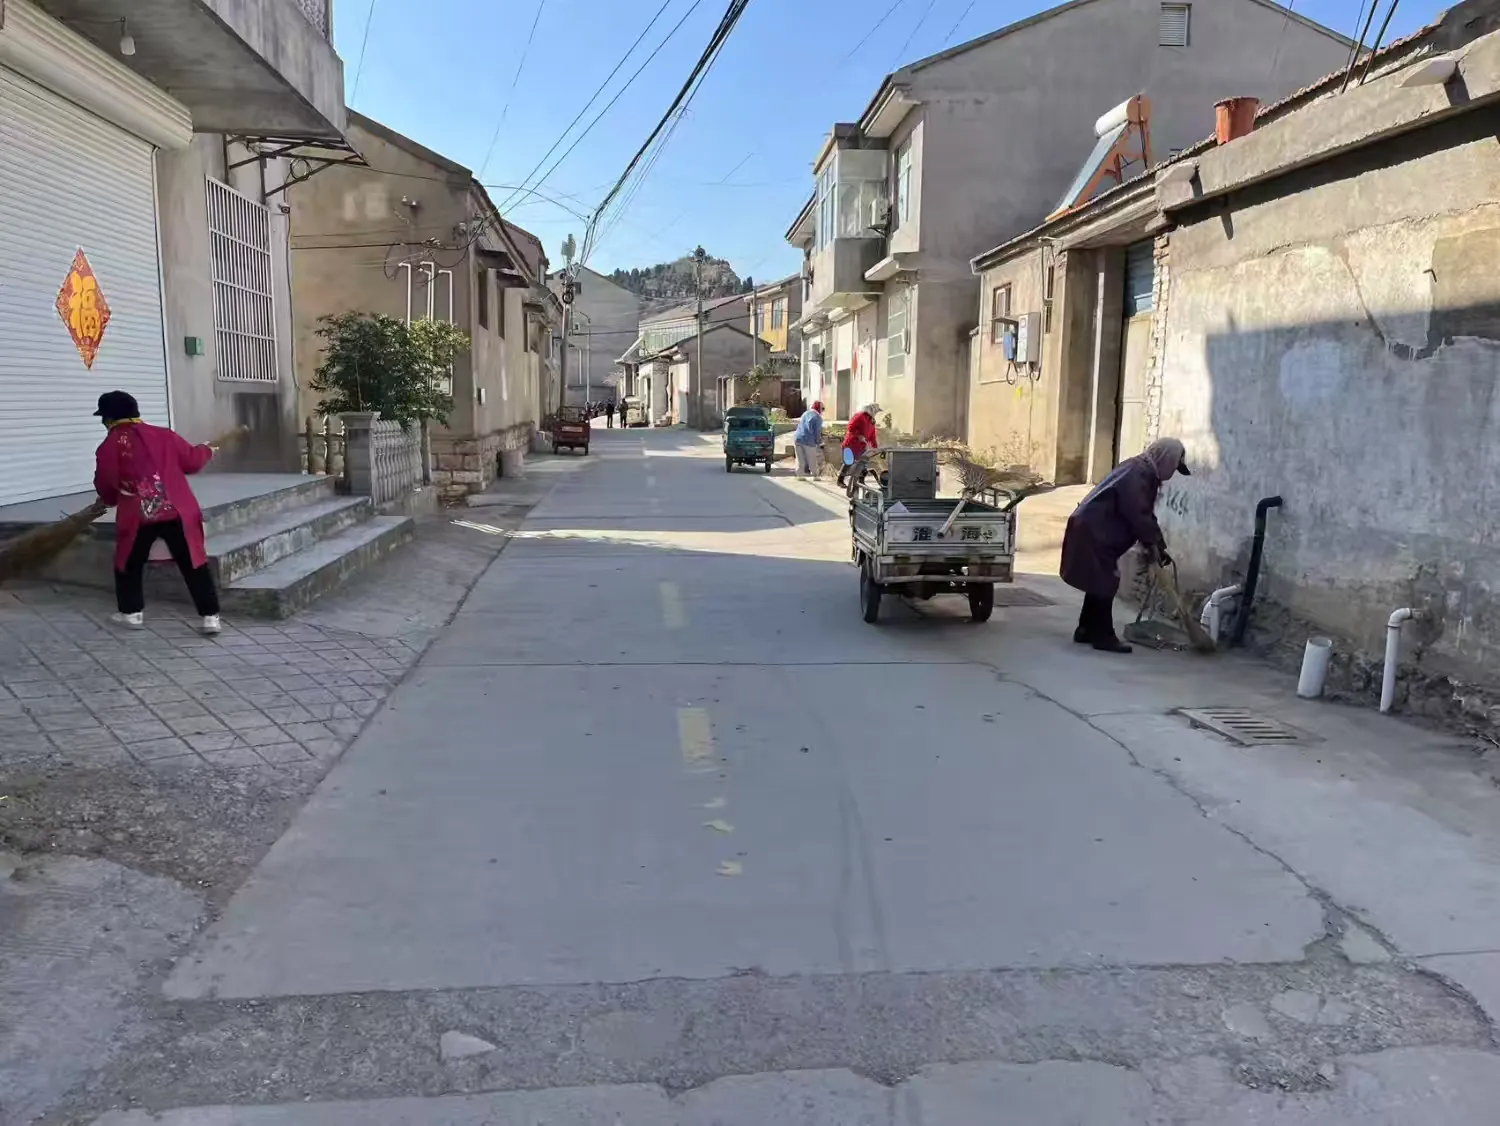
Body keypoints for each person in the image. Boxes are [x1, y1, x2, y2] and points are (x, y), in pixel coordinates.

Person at [92, 390, 222, 635]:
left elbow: (107, 481)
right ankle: (210, 617)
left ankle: (131, 613)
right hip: (178, 511)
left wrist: (109, 500)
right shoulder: (164, 435)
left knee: (129, 562)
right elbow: (192, 462)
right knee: (193, 562)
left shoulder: (109, 445)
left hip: (138, 515)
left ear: (109, 418)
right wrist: (207, 451)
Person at [1059, 437, 1190, 653]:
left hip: (1093, 526)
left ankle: (1086, 629)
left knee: (1099, 580)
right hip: (1095, 529)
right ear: (1166, 458)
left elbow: (1144, 513)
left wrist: (1158, 545)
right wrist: (1152, 542)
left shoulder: (1140, 469)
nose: (1172, 473)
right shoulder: (1139, 474)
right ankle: (1103, 636)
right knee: (1106, 581)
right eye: (1174, 466)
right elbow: (1138, 513)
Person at [837, 402, 881, 487]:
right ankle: (840, 480)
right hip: (851, 444)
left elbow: (872, 435)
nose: (876, 413)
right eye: (876, 411)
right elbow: (851, 427)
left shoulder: (871, 420)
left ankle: (861, 481)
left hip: (861, 446)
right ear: (872, 410)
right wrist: (859, 435)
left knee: (863, 463)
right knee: (848, 462)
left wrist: (875, 447)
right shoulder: (860, 416)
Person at [792, 400, 824, 479]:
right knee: (812, 459)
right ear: (819, 408)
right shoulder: (818, 417)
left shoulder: (805, 413)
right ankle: (815, 475)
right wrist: (819, 442)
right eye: (822, 408)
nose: (823, 411)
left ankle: (800, 475)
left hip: (797, 438)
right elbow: (816, 432)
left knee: (800, 458)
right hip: (809, 440)